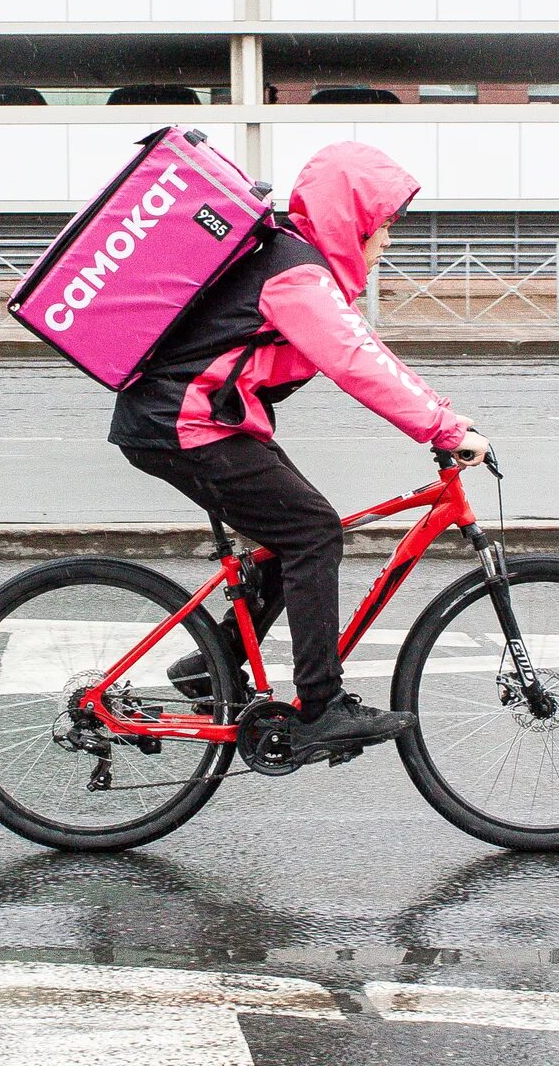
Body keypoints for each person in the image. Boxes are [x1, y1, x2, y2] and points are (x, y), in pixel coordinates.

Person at [109, 141, 490, 758]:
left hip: (197, 422)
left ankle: (211, 668)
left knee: (297, 532)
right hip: (182, 424)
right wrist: (444, 430)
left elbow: (363, 348)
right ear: (355, 219)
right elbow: (354, 363)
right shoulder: (294, 271)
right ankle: (321, 707)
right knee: (312, 531)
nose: (388, 242)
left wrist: (444, 416)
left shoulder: (294, 260)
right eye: (385, 226)